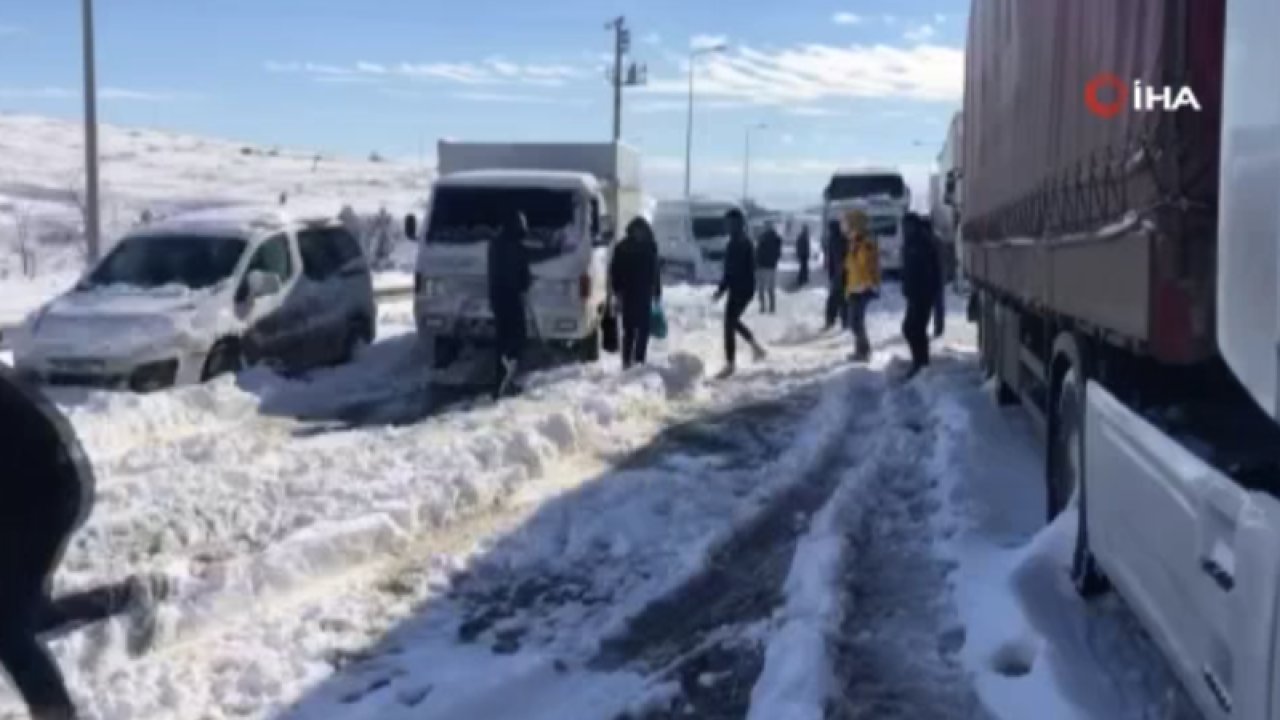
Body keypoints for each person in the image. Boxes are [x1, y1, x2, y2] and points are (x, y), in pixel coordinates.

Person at [1, 367, 160, 720]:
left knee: (8, 626)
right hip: (33, 483)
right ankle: (123, 597)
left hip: (49, 490)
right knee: (24, 611)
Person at [712, 209, 766, 378]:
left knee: (730, 323)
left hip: (740, 288)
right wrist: (723, 289)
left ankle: (731, 363)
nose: (726, 226)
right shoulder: (742, 241)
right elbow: (735, 270)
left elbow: (732, 271)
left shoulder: (738, 243)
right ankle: (755, 348)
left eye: (729, 223)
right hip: (744, 287)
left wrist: (721, 290)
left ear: (736, 224)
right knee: (732, 322)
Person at [488, 211, 533, 398]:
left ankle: (501, 379)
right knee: (517, 339)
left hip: (497, 298)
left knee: (502, 339)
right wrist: (526, 283)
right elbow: (524, 277)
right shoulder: (518, 247)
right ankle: (507, 377)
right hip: (512, 298)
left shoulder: (495, 245)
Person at [609, 217, 663, 369]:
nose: (639, 234)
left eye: (641, 231)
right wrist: (617, 291)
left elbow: (655, 270)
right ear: (631, 231)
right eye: (636, 231)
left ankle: (639, 360)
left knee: (644, 329)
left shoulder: (650, 246)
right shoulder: (623, 247)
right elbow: (615, 271)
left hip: (644, 292)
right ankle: (626, 361)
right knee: (629, 329)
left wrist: (657, 291)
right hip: (629, 292)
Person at [901, 213, 944, 378]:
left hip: (922, 295)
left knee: (914, 329)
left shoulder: (922, 243)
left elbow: (929, 271)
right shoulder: (911, 242)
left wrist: (925, 292)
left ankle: (921, 362)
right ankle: (919, 361)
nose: (905, 229)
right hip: (914, 294)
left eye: (908, 225)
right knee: (912, 329)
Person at [843, 210, 882, 362]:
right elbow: (850, 265)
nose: (844, 227)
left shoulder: (865, 243)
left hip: (862, 288)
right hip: (855, 287)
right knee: (855, 322)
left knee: (856, 322)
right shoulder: (854, 243)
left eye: (847, 223)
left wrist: (869, 283)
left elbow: (866, 264)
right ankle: (861, 350)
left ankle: (864, 351)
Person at [823, 219, 849, 330]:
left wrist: (835, 275)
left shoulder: (835, 240)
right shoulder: (842, 239)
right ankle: (844, 321)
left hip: (839, 275)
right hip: (842, 275)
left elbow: (837, 259)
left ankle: (831, 321)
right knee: (842, 300)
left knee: (834, 300)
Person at [755, 221, 783, 314]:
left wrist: (756, 263)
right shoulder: (777, 239)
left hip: (762, 266)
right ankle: (772, 307)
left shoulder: (762, 238)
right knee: (771, 288)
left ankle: (762, 307)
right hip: (772, 266)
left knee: (761, 288)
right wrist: (775, 260)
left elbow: (758, 252)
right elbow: (779, 253)